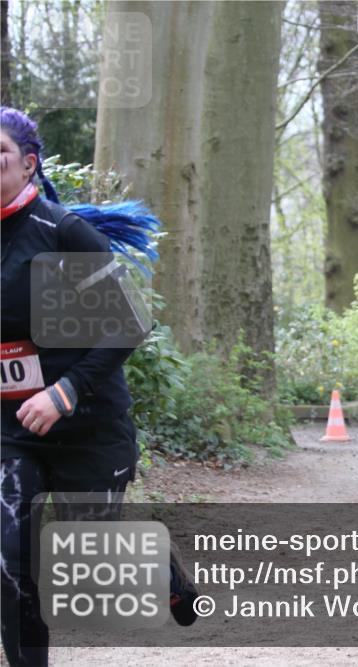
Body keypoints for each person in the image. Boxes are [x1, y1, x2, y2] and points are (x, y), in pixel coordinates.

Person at [0, 106, 197, 667]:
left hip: (87, 425)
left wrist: (63, 392)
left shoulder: (60, 234)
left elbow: (127, 325)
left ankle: (170, 579)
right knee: (10, 563)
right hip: (11, 429)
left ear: (28, 165)